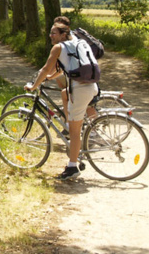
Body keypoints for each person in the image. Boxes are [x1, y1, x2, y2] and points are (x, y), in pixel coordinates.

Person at [25, 22, 99, 180]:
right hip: (91, 86)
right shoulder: (78, 42)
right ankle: (76, 157)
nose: (50, 36)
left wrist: (33, 86)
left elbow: (45, 68)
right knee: (72, 114)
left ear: (63, 34)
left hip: (80, 90)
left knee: (74, 131)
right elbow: (64, 67)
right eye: (50, 33)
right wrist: (51, 77)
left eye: (54, 33)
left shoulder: (58, 47)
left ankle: (72, 167)